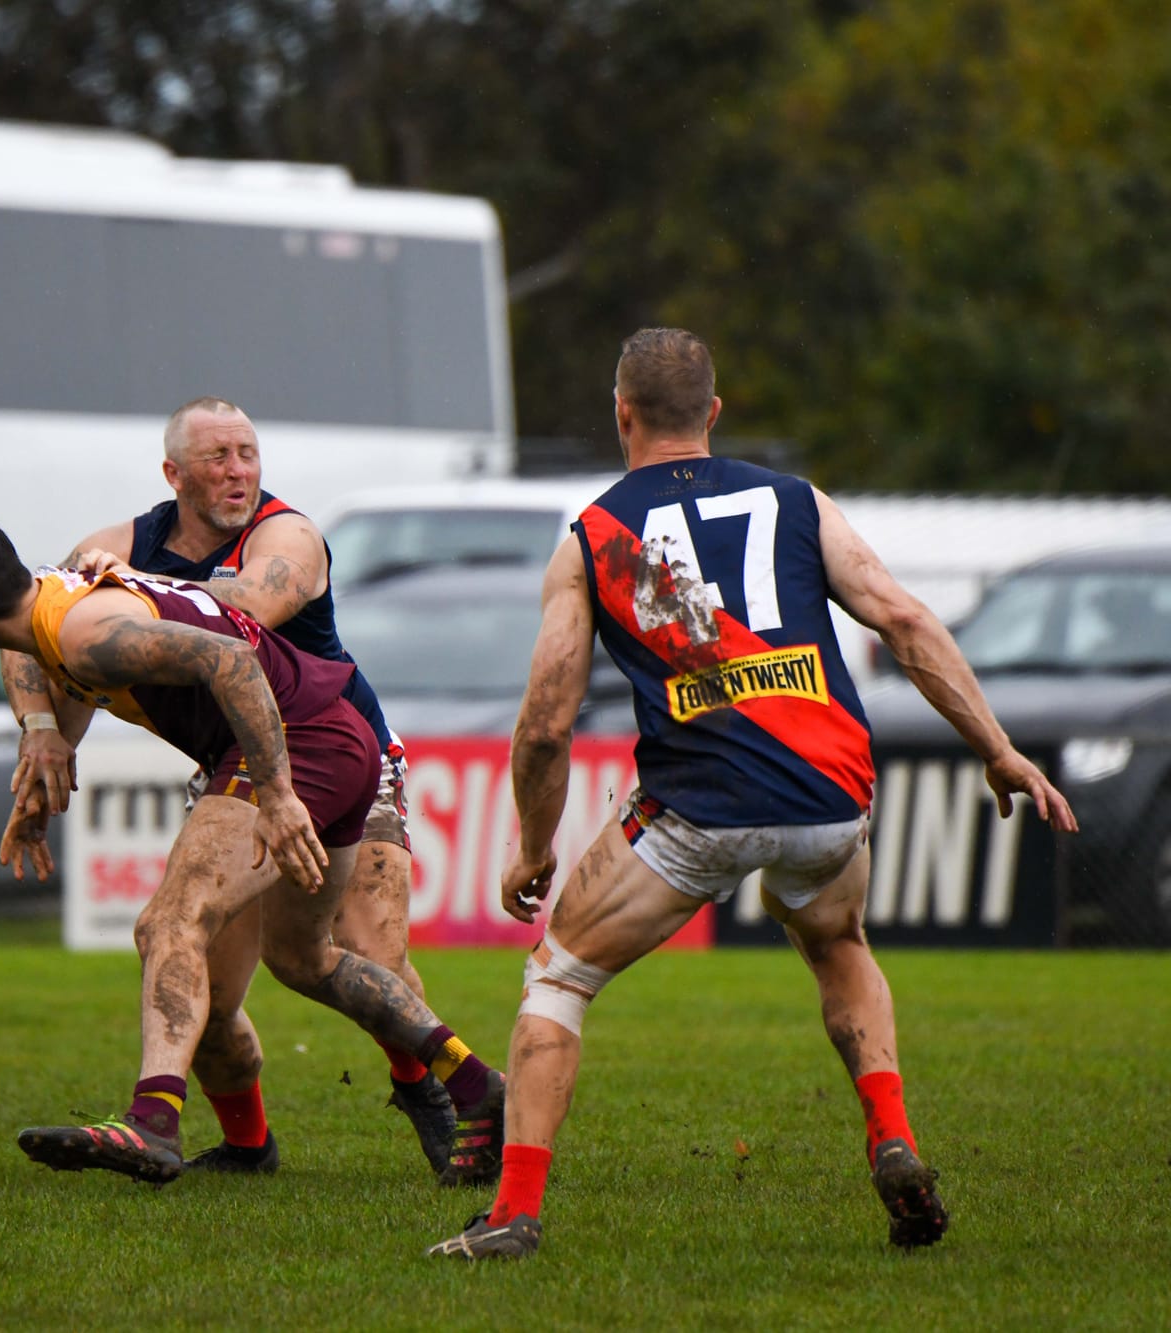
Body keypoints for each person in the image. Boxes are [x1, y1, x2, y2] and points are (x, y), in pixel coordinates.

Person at [428, 328, 1077, 1261]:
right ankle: (891, 1138)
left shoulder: (595, 539)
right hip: (829, 797)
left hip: (697, 809)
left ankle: (514, 1214)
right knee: (837, 940)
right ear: (715, 413)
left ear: (622, 414)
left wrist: (533, 845)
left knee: (560, 974)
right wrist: (999, 748)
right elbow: (902, 617)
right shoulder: (799, 502)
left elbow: (543, 721)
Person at [0, 516, 505, 1187]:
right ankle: (474, 1081)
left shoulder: (84, 635)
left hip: (297, 743)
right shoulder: (58, 601)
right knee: (304, 959)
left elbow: (233, 660)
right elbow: (33, 658)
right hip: (333, 734)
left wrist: (278, 793)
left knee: (169, 921)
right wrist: (43, 738)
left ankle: (152, 1121)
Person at [0, 397, 465, 1181]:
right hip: (240, 763)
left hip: (344, 751)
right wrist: (42, 728)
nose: (238, 470)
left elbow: (242, 607)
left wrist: (132, 585)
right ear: (173, 474)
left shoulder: (288, 535)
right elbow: (33, 621)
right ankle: (248, 1145)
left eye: (248, 453)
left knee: (366, 953)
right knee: (202, 991)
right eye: (217, 457)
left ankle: (431, 1087)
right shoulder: (120, 541)